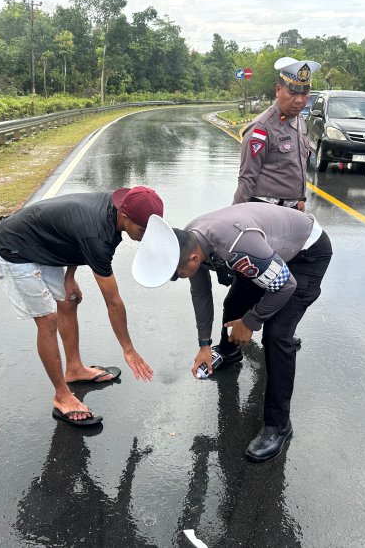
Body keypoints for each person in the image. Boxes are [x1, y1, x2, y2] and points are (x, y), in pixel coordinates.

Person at [132, 203, 332, 462]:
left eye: (177, 274)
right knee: (233, 304)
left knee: (277, 335)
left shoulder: (236, 246)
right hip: (271, 252)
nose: (178, 278)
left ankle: (279, 426)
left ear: (193, 259)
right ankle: (229, 352)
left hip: (306, 256)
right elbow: (201, 292)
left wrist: (251, 322)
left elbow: (285, 285)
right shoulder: (193, 240)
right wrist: (204, 344)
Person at [0, 186, 162, 427]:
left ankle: (75, 369)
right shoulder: (98, 236)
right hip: (14, 246)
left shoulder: (125, 204)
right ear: (125, 216)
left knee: (68, 301)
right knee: (47, 319)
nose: (144, 235)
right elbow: (112, 301)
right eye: (142, 230)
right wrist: (128, 349)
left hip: (43, 243)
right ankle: (62, 396)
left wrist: (69, 277)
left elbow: (73, 234)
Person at [229, 57, 321, 359]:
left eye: (304, 93)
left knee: (282, 283)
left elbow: (297, 167)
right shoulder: (260, 130)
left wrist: (300, 199)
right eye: (292, 92)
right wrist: (235, 233)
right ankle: (226, 345)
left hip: (290, 218)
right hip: (263, 220)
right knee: (247, 285)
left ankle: (277, 333)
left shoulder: (300, 121)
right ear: (277, 89)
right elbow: (246, 182)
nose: (299, 100)